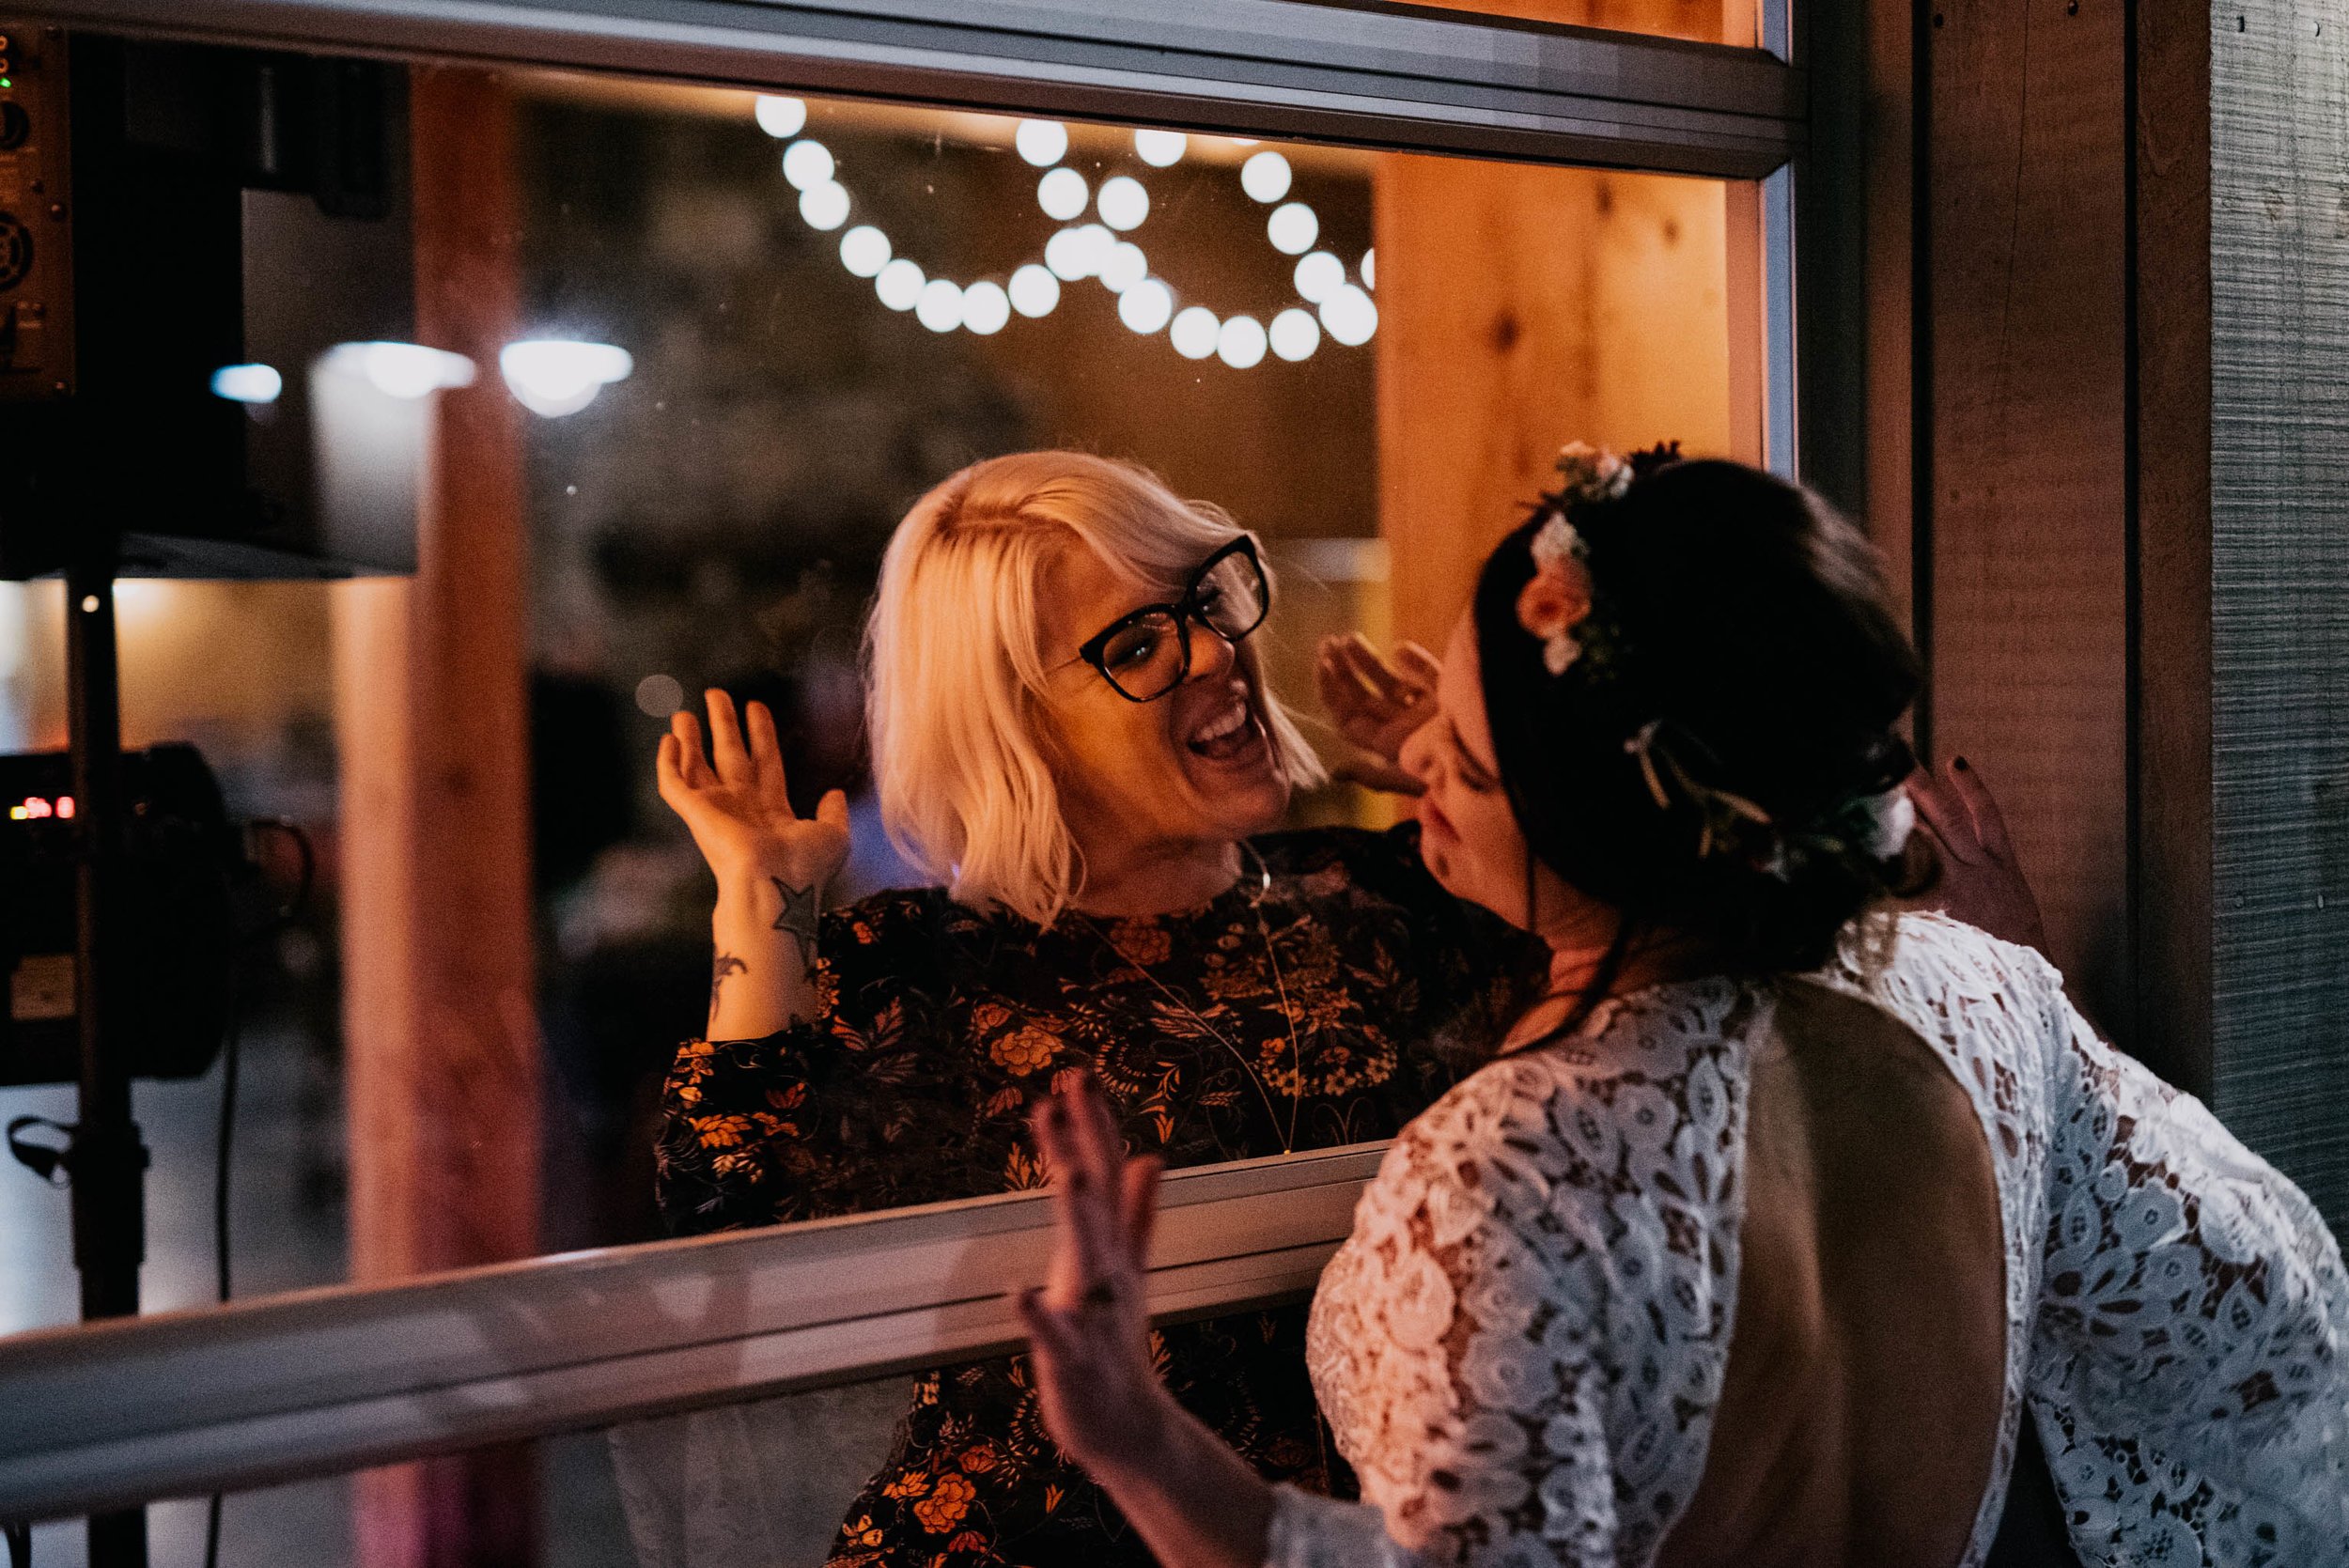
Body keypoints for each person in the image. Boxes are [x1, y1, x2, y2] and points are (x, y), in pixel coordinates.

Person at [1016, 445, 2349, 1568]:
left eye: (1467, 757)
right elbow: (2275, 1317)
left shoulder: (1510, 1170)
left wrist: (1142, 1445)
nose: (1412, 758)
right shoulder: (1986, 994)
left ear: (1601, 829)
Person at [651, 450, 1544, 1567]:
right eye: (1135, 646)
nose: (1218, 651)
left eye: (1206, 601)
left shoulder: (1394, 893)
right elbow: (724, 1236)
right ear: (1012, 725)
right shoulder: (926, 966)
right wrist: (762, 898)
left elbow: (1635, 978)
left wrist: (1469, 766)